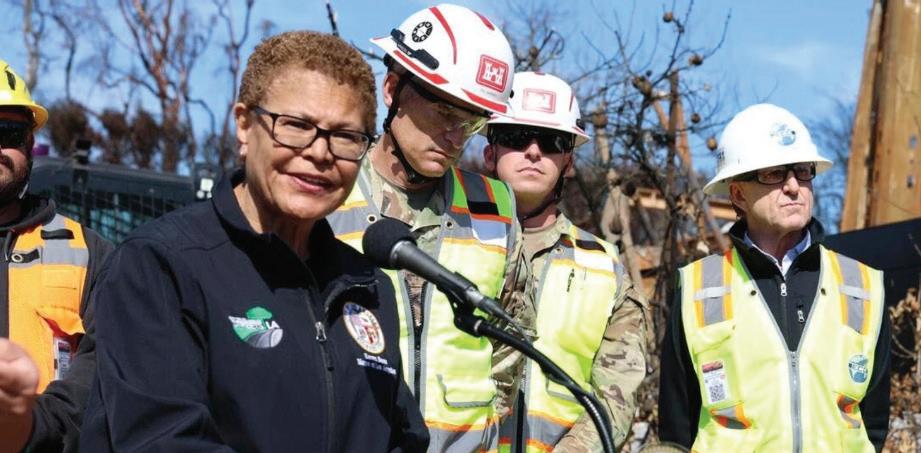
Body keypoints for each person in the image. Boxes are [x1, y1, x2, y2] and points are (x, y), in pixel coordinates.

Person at [79, 31, 428, 451]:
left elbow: (403, 438)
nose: (321, 153)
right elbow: (164, 441)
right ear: (244, 126)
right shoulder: (160, 264)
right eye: (296, 126)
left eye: (345, 136)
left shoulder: (368, 286)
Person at [327, 4, 522, 451]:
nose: (456, 136)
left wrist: (487, 425)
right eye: (443, 112)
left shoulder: (496, 207)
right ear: (392, 89)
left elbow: (512, 336)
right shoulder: (328, 192)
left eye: (473, 121)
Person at [658, 103, 890, 452]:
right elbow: (677, 428)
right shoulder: (698, 288)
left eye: (803, 171)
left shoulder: (861, 286)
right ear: (738, 194)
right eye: (774, 173)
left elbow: (874, 424)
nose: (794, 186)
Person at [482, 72, 648, 452]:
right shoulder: (452, 240)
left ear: (568, 162)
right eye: (517, 136)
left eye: (551, 141)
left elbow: (617, 393)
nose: (534, 151)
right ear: (490, 153)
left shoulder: (606, 269)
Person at [0, 59, 114, 453]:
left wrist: (31, 428)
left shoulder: (89, 252)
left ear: (29, 144)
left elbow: (102, 363)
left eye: (7, 132)